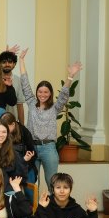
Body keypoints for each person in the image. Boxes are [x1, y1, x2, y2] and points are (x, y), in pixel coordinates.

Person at [19, 48, 82, 188]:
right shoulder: (31, 103)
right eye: (40, 91)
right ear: (36, 92)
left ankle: (53, 203)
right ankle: (31, 203)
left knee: (52, 182)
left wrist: (70, 76)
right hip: (31, 147)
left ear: (50, 93)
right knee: (30, 182)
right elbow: (25, 84)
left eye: (46, 92)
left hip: (49, 148)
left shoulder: (55, 107)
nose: (42, 94)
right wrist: (21, 61)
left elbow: (64, 94)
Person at [0, 112, 37, 183]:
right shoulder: (0, 134)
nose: (4, 130)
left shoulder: (24, 131)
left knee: (29, 187)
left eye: (6, 127)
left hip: (26, 166)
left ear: (13, 124)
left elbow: (31, 150)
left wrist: (25, 160)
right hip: (8, 169)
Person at [0, 50, 25, 125]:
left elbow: (20, 105)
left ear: (14, 64)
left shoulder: (18, 80)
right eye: (4, 62)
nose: (7, 64)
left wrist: (22, 126)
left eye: (10, 62)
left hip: (12, 123)